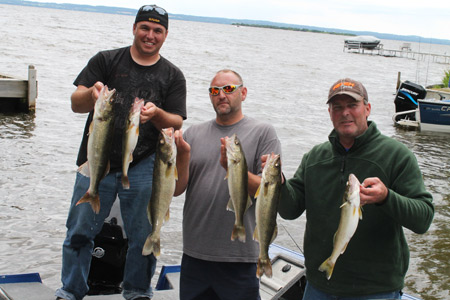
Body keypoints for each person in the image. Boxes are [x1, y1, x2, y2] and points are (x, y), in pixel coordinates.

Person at [55, 5, 187, 300]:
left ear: (165, 35)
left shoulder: (173, 75)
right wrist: (90, 96)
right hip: (96, 161)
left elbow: (177, 120)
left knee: (143, 235)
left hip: (143, 165)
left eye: (157, 30)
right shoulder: (105, 60)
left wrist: (157, 114)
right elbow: (76, 103)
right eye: (145, 28)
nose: (150, 35)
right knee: (79, 231)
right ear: (134, 28)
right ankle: (70, 291)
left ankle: (138, 292)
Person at [277, 78, 434, 299]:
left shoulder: (397, 156)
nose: (345, 113)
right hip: (319, 286)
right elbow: (289, 210)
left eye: (352, 105)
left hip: (376, 290)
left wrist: (386, 197)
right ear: (330, 113)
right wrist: (278, 184)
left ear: (367, 108)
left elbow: (423, 219)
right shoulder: (314, 158)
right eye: (337, 107)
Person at [173, 69, 282, 300]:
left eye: (229, 89)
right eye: (214, 90)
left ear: (243, 93)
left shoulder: (263, 132)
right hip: (195, 254)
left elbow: (269, 192)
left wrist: (234, 169)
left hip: (240, 257)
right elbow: (176, 189)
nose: (221, 95)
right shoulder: (193, 132)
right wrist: (182, 156)